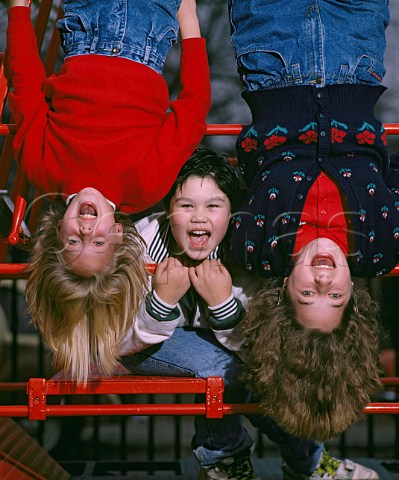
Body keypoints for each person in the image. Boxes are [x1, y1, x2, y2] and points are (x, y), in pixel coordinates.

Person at [116, 147, 378, 480]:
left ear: (232, 212)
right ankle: (224, 463)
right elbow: (119, 335)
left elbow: (259, 346)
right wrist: (162, 302)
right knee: (219, 367)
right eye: (185, 205)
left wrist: (223, 304)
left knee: (260, 375)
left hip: (224, 341)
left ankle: (309, 462)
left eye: (213, 205)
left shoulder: (247, 250)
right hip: (146, 341)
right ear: (168, 211)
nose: (199, 217)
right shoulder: (142, 242)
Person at [226, 0, 392, 474]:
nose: (322, 276)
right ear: (353, 297)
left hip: (273, 49)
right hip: (353, 47)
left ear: (283, 290)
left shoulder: (253, 245)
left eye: (307, 292)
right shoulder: (380, 244)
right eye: (334, 295)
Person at [5, 0, 210, 383]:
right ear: (117, 234)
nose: (85, 232)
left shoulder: (42, 167)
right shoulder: (146, 185)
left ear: (55, 235)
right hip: (151, 29)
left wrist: (19, 9)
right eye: (96, 245)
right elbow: (192, 110)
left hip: (87, 23)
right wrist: (189, 23)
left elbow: (24, 81)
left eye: (72, 244)